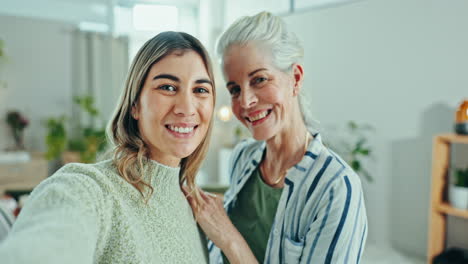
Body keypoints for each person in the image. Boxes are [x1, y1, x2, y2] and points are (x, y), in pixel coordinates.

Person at [0, 31, 216, 263]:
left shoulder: (198, 210)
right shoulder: (89, 189)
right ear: (135, 105)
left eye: (200, 90)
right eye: (168, 87)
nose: (187, 108)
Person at [185, 12, 368, 264]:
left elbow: (229, 237)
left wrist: (228, 237)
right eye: (235, 89)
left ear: (295, 79)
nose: (246, 101)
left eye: (259, 79)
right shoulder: (243, 157)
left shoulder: (336, 187)